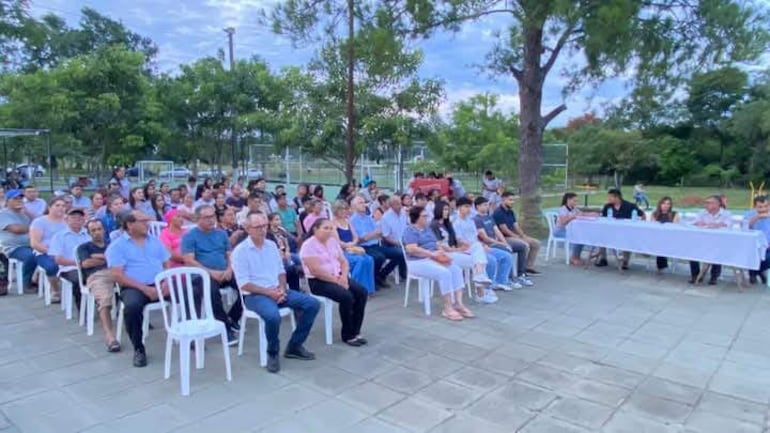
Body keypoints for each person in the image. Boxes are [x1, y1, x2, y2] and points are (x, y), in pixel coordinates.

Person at [231, 212, 320, 373]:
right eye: (257, 227)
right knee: (273, 316)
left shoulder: (271, 246)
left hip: (277, 289)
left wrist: (282, 288)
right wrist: (269, 293)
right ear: (248, 228)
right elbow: (244, 284)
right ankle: (272, 352)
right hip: (254, 295)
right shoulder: (240, 252)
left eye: (264, 226)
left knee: (312, 304)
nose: (262, 230)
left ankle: (295, 345)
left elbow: (281, 271)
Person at [106, 210, 171, 367]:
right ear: (130, 225)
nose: (147, 224)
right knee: (132, 307)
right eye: (142, 221)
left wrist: (167, 281)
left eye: (146, 220)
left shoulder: (154, 241)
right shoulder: (117, 246)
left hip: (159, 283)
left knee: (191, 293)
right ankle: (139, 348)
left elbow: (166, 263)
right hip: (134, 286)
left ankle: (188, 335)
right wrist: (145, 289)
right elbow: (117, 276)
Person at [301, 218, 368, 346]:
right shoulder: (308, 245)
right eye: (325, 228)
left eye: (331, 228)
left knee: (361, 292)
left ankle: (356, 330)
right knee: (346, 296)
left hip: (338, 276)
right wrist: (336, 281)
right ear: (315, 229)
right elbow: (315, 271)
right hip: (318, 281)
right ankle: (348, 335)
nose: (329, 231)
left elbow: (343, 261)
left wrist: (343, 276)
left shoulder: (332, 242)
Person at [182, 205, 242, 344]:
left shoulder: (221, 234)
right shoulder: (190, 236)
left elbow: (229, 254)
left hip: (224, 271)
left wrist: (229, 269)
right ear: (197, 219)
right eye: (207, 217)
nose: (211, 220)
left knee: (246, 285)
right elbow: (189, 260)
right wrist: (210, 272)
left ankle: (232, 317)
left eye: (213, 216)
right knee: (212, 292)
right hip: (201, 274)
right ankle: (225, 328)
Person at [403, 205, 474, 321]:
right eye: (424, 216)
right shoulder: (410, 230)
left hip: (433, 257)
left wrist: (443, 249)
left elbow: (435, 243)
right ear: (416, 218)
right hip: (417, 262)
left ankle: (458, 303)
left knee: (456, 269)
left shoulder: (427, 229)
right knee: (444, 273)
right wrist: (431, 254)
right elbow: (411, 249)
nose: (427, 218)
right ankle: (447, 307)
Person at [453, 197, 512, 301]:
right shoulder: (455, 222)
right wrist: (477, 246)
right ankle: (484, 290)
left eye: (469, 207)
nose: (468, 209)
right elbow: (459, 240)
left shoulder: (470, 221)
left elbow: (475, 237)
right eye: (466, 207)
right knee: (491, 260)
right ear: (458, 208)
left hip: (477, 247)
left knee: (505, 255)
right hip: (465, 249)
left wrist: (482, 245)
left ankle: (498, 282)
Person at [77, 219, 120, 352]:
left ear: (104, 230)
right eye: (93, 230)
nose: (97, 232)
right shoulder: (84, 247)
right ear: (89, 233)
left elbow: (122, 258)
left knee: (135, 286)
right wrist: (107, 257)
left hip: (116, 272)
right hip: (97, 275)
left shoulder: (112, 244)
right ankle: (109, 336)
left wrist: (99, 256)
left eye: (99, 229)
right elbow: (86, 264)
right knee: (104, 299)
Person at [430, 200, 492, 288]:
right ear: (438, 210)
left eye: (448, 210)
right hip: (444, 254)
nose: (446, 212)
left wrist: (461, 248)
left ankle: (480, 279)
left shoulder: (447, 224)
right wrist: (458, 249)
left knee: (477, 247)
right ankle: (481, 290)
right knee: (477, 260)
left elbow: (453, 242)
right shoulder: (434, 225)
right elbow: (440, 246)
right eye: (444, 210)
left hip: (453, 252)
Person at [350, 196, 404, 288]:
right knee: (379, 257)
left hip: (375, 245)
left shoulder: (369, 218)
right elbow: (362, 238)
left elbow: (379, 233)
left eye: (364, 202)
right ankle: (374, 279)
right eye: (361, 203)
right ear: (354, 206)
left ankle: (381, 276)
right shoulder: (353, 220)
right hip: (364, 247)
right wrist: (373, 234)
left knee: (400, 253)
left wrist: (372, 234)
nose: (364, 204)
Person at [474, 196, 528, 289]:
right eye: (484, 205)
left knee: (521, 247)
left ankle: (520, 274)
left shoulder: (489, 217)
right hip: (488, 244)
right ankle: (509, 279)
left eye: (488, 205)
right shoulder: (476, 219)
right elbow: (485, 238)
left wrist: (504, 242)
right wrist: (501, 244)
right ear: (477, 206)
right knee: (506, 251)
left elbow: (497, 231)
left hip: (496, 242)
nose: (487, 207)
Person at [49, 208, 91, 317]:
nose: (77, 220)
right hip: (68, 268)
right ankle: (83, 312)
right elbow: (58, 259)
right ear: (67, 220)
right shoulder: (59, 236)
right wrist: (78, 264)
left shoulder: (88, 234)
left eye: (80, 218)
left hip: (89, 266)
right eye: (73, 217)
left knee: (107, 278)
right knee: (78, 279)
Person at [330, 201, 376, 295]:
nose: (344, 211)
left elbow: (355, 236)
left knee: (369, 259)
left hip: (353, 248)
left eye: (345, 209)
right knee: (360, 261)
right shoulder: (332, 223)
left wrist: (353, 243)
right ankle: (354, 288)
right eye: (341, 209)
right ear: (336, 210)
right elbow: (337, 241)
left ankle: (368, 289)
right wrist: (349, 246)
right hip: (341, 251)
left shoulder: (348, 221)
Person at [29, 196, 68, 302]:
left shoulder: (68, 221)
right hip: (44, 252)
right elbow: (34, 243)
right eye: (57, 205)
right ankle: (55, 290)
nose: (61, 208)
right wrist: (52, 253)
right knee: (52, 266)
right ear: (50, 207)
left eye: (63, 206)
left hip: (65, 252)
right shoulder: (39, 222)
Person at [596, 188, 645, 269]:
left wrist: (640, 226)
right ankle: (603, 258)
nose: (608, 199)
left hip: (626, 232)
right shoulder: (607, 206)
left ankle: (625, 261)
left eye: (610, 197)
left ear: (617, 197)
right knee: (601, 235)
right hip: (610, 231)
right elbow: (603, 219)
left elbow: (643, 215)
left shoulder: (630, 206)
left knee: (629, 238)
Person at [493, 192, 541, 275]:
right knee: (524, 245)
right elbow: (504, 229)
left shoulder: (510, 212)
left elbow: (516, 225)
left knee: (536, 243)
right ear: (503, 200)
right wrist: (517, 237)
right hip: (504, 238)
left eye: (513, 200)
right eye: (510, 200)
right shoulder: (498, 212)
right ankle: (521, 271)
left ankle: (529, 266)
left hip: (513, 236)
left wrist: (522, 235)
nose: (513, 202)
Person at [689, 195, 732, 285]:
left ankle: (714, 276)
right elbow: (694, 223)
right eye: (706, 203)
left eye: (710, 203)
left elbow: (727, 225)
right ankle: (695, 275)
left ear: (718, 204)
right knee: (691, 250)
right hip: (702, 240)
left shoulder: (726, 214)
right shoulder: (702, 212)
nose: (707, 205)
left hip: (719, 241)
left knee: (718, 251)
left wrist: (713, 224)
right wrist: (701, 223)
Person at [0, 190, 36, 293]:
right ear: (7, 201)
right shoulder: (3, 214)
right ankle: (27, 283)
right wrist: (33, 228)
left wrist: (27, 212)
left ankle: (37, 279)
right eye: (15, 199)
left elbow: (37, 222)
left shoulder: (24, 215)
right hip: (12, 247)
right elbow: (16, 229)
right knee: (31, 256)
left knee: (44, 254)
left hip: (28, 245)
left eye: (20, 198)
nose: (19, 201)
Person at [267, 213, 302, 292]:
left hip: (286, 252)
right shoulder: (268, 234)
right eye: (276, 219)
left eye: (279, 219)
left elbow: (287, 241)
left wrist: (287, 251)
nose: (279, 221)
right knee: (290, 267)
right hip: (277, 255)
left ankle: (301, 274)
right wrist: (282, 255)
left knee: (300, 259)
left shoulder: (281, 230)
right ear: (270, 222)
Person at [555, 192, 592, 266]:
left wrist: (591, 214)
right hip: (560, 230)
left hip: (571, 230)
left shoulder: (574, 209)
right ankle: (574, 258)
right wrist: (572, 216)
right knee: (577, 237)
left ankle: (576, 256)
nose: (576, 202)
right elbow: (563, 222)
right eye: (574, 201)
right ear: (568, 200)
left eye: (577, 201)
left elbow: (582, 214)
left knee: (583, 236)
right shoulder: (563, 209)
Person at [650, 196, 680, 272]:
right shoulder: (654, 214)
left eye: (668, 204)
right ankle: (661, 265)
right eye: (664, 203)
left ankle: (661, 266)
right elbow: (652, 227)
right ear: (660, 204)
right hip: (657, 237)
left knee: (662, 243)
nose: (666, 206)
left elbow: (675, 228)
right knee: (659, 242)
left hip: (670, 237)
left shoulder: (674, 214)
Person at [744, 195, 770, 284]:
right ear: (755, 207)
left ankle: (755, 272)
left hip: (768, 243)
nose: (763, 209)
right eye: (760, 207)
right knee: (754, 254)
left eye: (766, 206)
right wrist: (757, 217)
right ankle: (756, 272)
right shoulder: (749, 214)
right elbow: (745, 227)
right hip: (753, 244)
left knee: (767, 257)